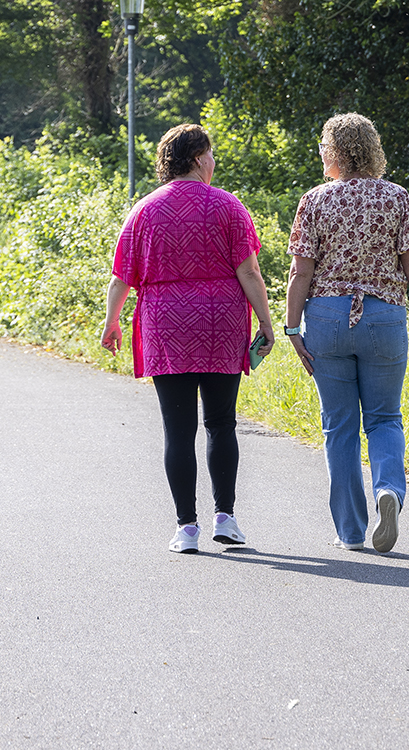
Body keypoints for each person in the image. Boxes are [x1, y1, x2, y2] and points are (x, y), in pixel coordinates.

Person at [101, 124, 275, 554]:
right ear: (199, 158)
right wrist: (267, 324)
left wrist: (112, 321)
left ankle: (186, 528)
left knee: (177, 431)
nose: (214, 161)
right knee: (220, 423)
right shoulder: (229, 207)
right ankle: (226, 519)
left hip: (165, 325)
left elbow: (122, 275)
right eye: (211, 154)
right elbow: (249, 272)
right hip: (220, 324)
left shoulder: (143, 210)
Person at [284, 113, 409, 554]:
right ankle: (388, 490)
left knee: (339, 427)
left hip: (328, 319)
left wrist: (294, 327)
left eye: (323, 147)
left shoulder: (314, 200)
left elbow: (301, 271)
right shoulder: (396, 198)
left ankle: (351, 532)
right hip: (385, 317)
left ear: (335, 151)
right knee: (385, 418)